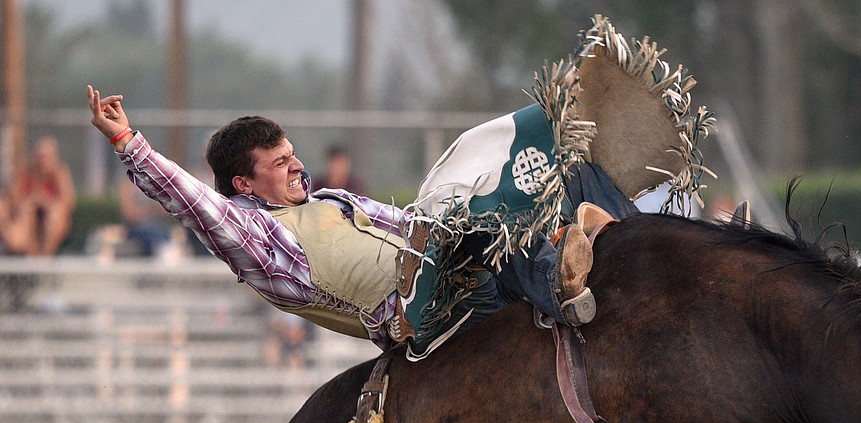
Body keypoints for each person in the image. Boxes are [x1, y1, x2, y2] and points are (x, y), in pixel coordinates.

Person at [86, 85, 603, 357]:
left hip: (440, 268)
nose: (294, 164)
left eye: (291, 153)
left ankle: (581, 233)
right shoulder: (260, 239)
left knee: (485, 196)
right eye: (277, 161)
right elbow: (192, 199)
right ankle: (561, 281)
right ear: (244, 184)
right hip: (413, 311)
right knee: (479, 231)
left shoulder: (330, 199)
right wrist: (127, 142)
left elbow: (409, 224)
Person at [0, 136, 77, 256]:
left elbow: (68, 202)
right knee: (26, 210)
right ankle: (28, 253)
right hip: (25, 220)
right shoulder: (25, 172)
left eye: (46, 157)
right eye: (40, 156)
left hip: (51, 221)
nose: (42, 161)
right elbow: (13, 199)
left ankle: (44, 258)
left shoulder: (59, 173)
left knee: (55, 213)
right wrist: (32, 201)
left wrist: (44, 201)